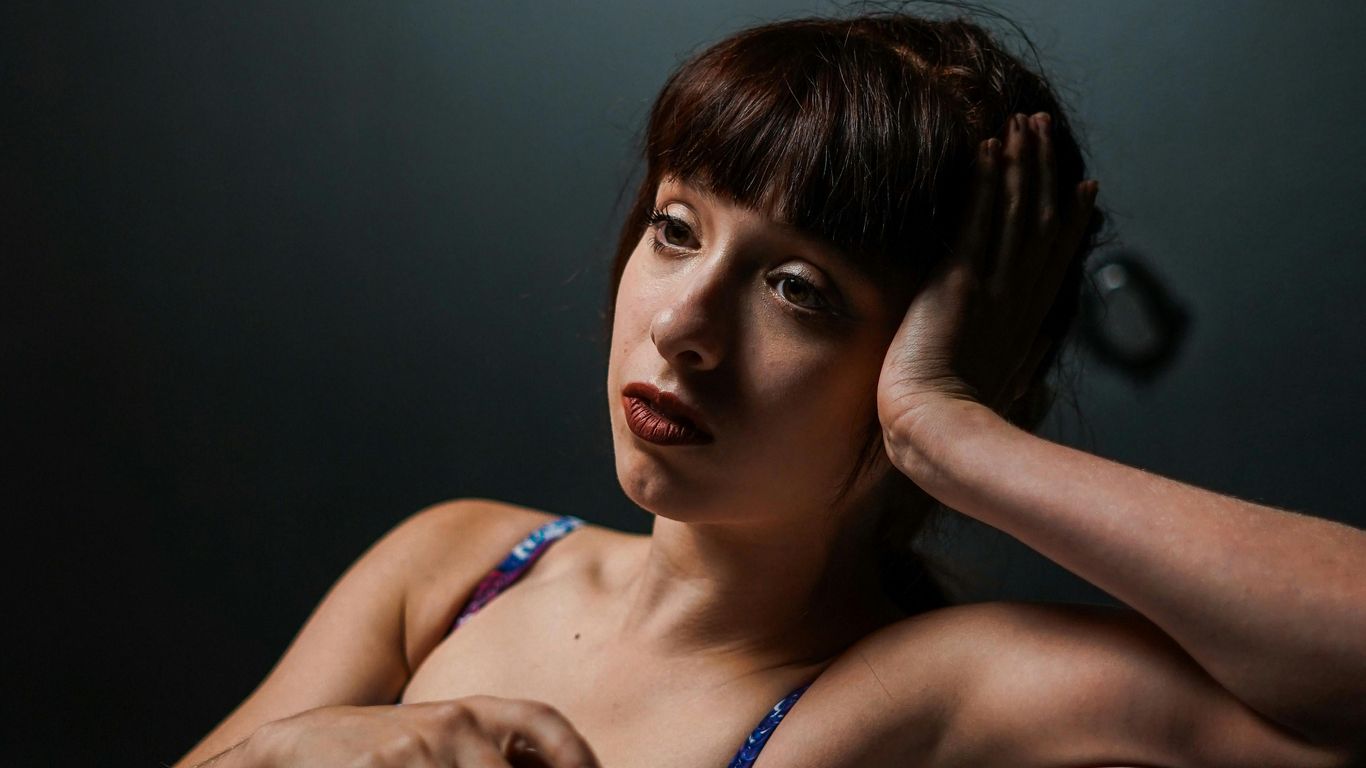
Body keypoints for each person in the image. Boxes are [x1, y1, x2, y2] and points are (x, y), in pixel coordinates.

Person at [174, 7, 1366, 768]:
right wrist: (301, 754)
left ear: (922, 350)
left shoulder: (947, 692)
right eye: (677, 229)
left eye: (797, 289)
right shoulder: (459, 568)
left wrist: (955, 433)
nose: (684, 326)